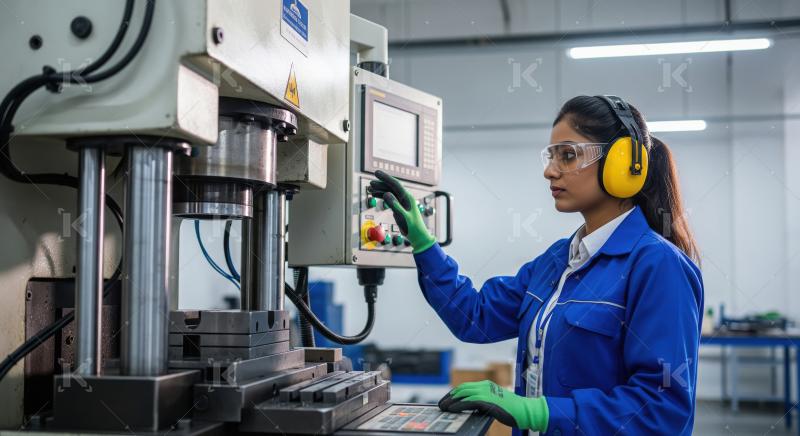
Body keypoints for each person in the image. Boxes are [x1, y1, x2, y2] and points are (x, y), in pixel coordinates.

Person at [368, 95, 704, 435]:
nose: (549, 170)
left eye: (568, 155)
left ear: (624, 163)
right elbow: (475, 316)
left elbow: (662, 410)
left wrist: (542, 413)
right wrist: (425, 245)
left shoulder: (659, 267)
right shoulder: (559, 260)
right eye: (551, 156)